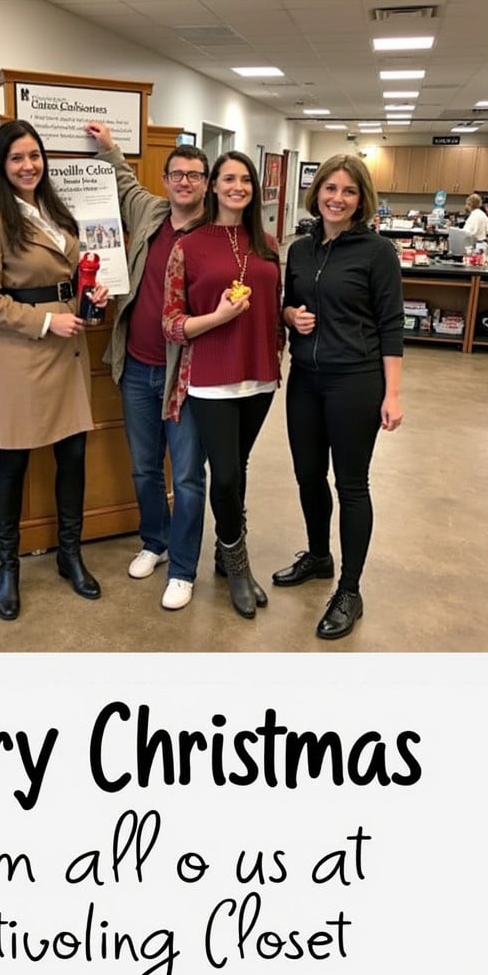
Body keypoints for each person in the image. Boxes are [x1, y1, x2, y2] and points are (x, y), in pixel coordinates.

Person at [0, 119, 109, 621]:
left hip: (68, 349)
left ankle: (70, 554)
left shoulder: (54, 208)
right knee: (14, 462)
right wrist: (47, 320)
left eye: (33, 155)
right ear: (1, 165)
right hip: (20, 352)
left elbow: (68, 272)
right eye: (16, 158)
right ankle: (9, 566)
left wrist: (90, 296)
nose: (28, 166)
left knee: (73, 454)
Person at [273, 153, 404, 640]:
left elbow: (391, 326)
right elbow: (287, 301)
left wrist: (393, 394)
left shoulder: (377, 253)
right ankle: (319, 555)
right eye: (331, 188)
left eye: (349, 191)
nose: (337, 198)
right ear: (317, 192)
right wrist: (289, 316)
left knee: (350, 484)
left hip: (355, 380)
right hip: (305, 378)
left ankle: (350, 590)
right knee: (308, 474)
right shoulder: (300, 249)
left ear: (361, 199)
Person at [85, 120, 208, 611]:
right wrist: (111, 146)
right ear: (166, 179)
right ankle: (154, 543)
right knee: (143, 469)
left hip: (187, 375)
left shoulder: (216, 232)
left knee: (187, 477)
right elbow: (123, 183)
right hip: (136, 366)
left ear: (206, 182)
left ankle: (182, 568)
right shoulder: (152, 212)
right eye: (176, 174)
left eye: (194, 175)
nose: (184, 182)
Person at [162, 150, 284, 620]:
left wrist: (284, 329)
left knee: (240, 470)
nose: (237, 186)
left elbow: (277, 305)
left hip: (259, 375)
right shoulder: (188, 245)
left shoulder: (268, 243)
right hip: (210, 377)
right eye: (228, 178)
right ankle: (237, 566)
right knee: (226, 475)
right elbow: (170, 322)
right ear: (212, 186)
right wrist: (216, 317)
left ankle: (224, 552)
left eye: (245, 180)